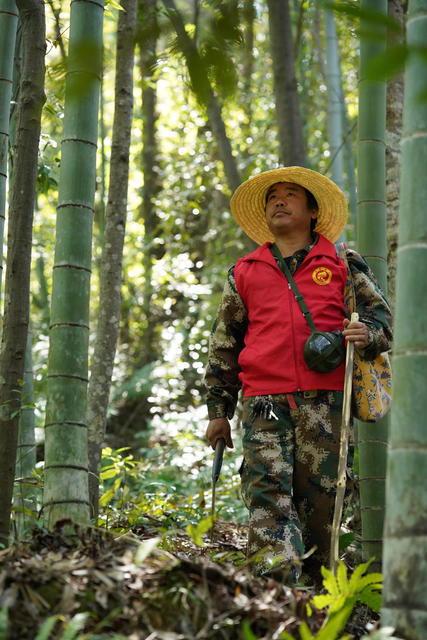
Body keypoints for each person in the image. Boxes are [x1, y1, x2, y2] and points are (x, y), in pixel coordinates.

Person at [204, 167, 392, 585]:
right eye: (272, 197)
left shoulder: (343, 262)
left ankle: (318, 597)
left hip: (325, 401)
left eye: (290, 195)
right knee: (267, 494)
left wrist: (367, 334)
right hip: (263, 404)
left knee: (322, 505)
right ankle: (276, 593)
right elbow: (224, 344)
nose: (279, 202)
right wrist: (218, 410)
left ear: (311, 211)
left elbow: (384, 321)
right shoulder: (245, 270)